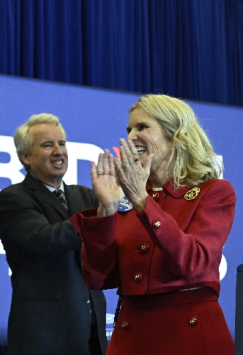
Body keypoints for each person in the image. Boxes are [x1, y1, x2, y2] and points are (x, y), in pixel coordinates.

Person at [72, 94, 235, 354]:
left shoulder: (214, 192)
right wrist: (107, 209)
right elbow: (97, 278)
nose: (131, 136)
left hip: (190, 335)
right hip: (130, 336)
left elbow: (192, 261)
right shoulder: (127, 196)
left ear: (175, 134)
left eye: (142, 127)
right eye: (129, 129)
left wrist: (141, 200)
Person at [0, 114, 108, 355]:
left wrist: (124, 201)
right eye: (48, 145)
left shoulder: (87, 196)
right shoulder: (13, 198)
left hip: (92, 335)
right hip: (45, 337)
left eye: (62, 144)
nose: (59, 151)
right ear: (25, 156)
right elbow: (46, 240)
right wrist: (101, 213)